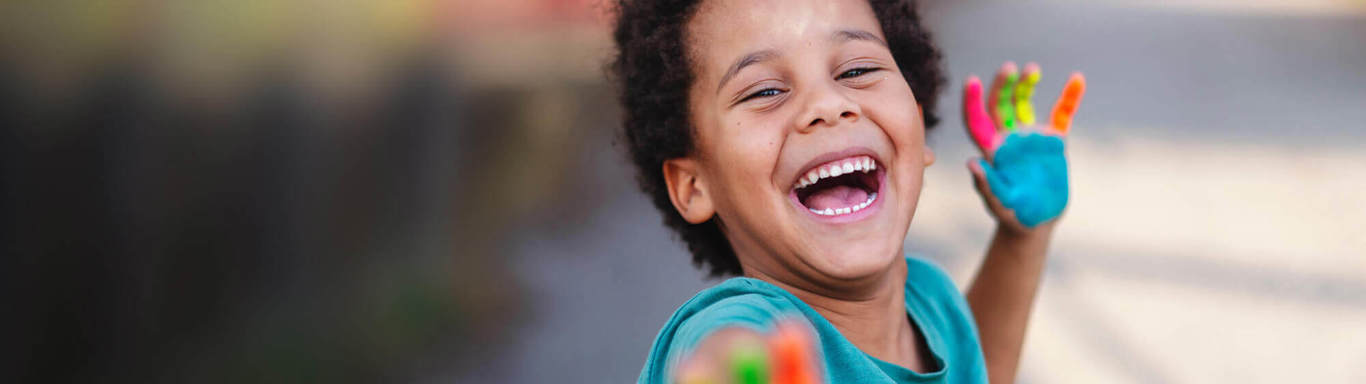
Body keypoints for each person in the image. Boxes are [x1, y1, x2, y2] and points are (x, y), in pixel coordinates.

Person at [609, 0, 1086, 382]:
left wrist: (1024, 238)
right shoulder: (745, 326)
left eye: (856, 70)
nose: (828, 104)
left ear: (915, 127)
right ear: (694, 185)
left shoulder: (932, 297)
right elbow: (727, 352)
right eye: (764, 91)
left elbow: (982, 370)